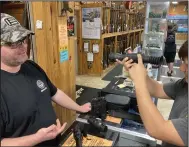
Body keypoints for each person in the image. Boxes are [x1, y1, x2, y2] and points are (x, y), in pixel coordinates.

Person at [1, 13, 91, 146]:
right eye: (13, 43)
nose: (22, 46)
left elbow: (54, 92)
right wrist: (37, 138)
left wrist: (79, 108)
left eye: (23, 39)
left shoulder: (31, 66)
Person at [117, 40, 188, 147]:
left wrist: (139, 81)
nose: (182, 68)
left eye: (187, 65)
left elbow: (157, 129)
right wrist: (135, 70)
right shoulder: (185, 85)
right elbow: (157, 89)